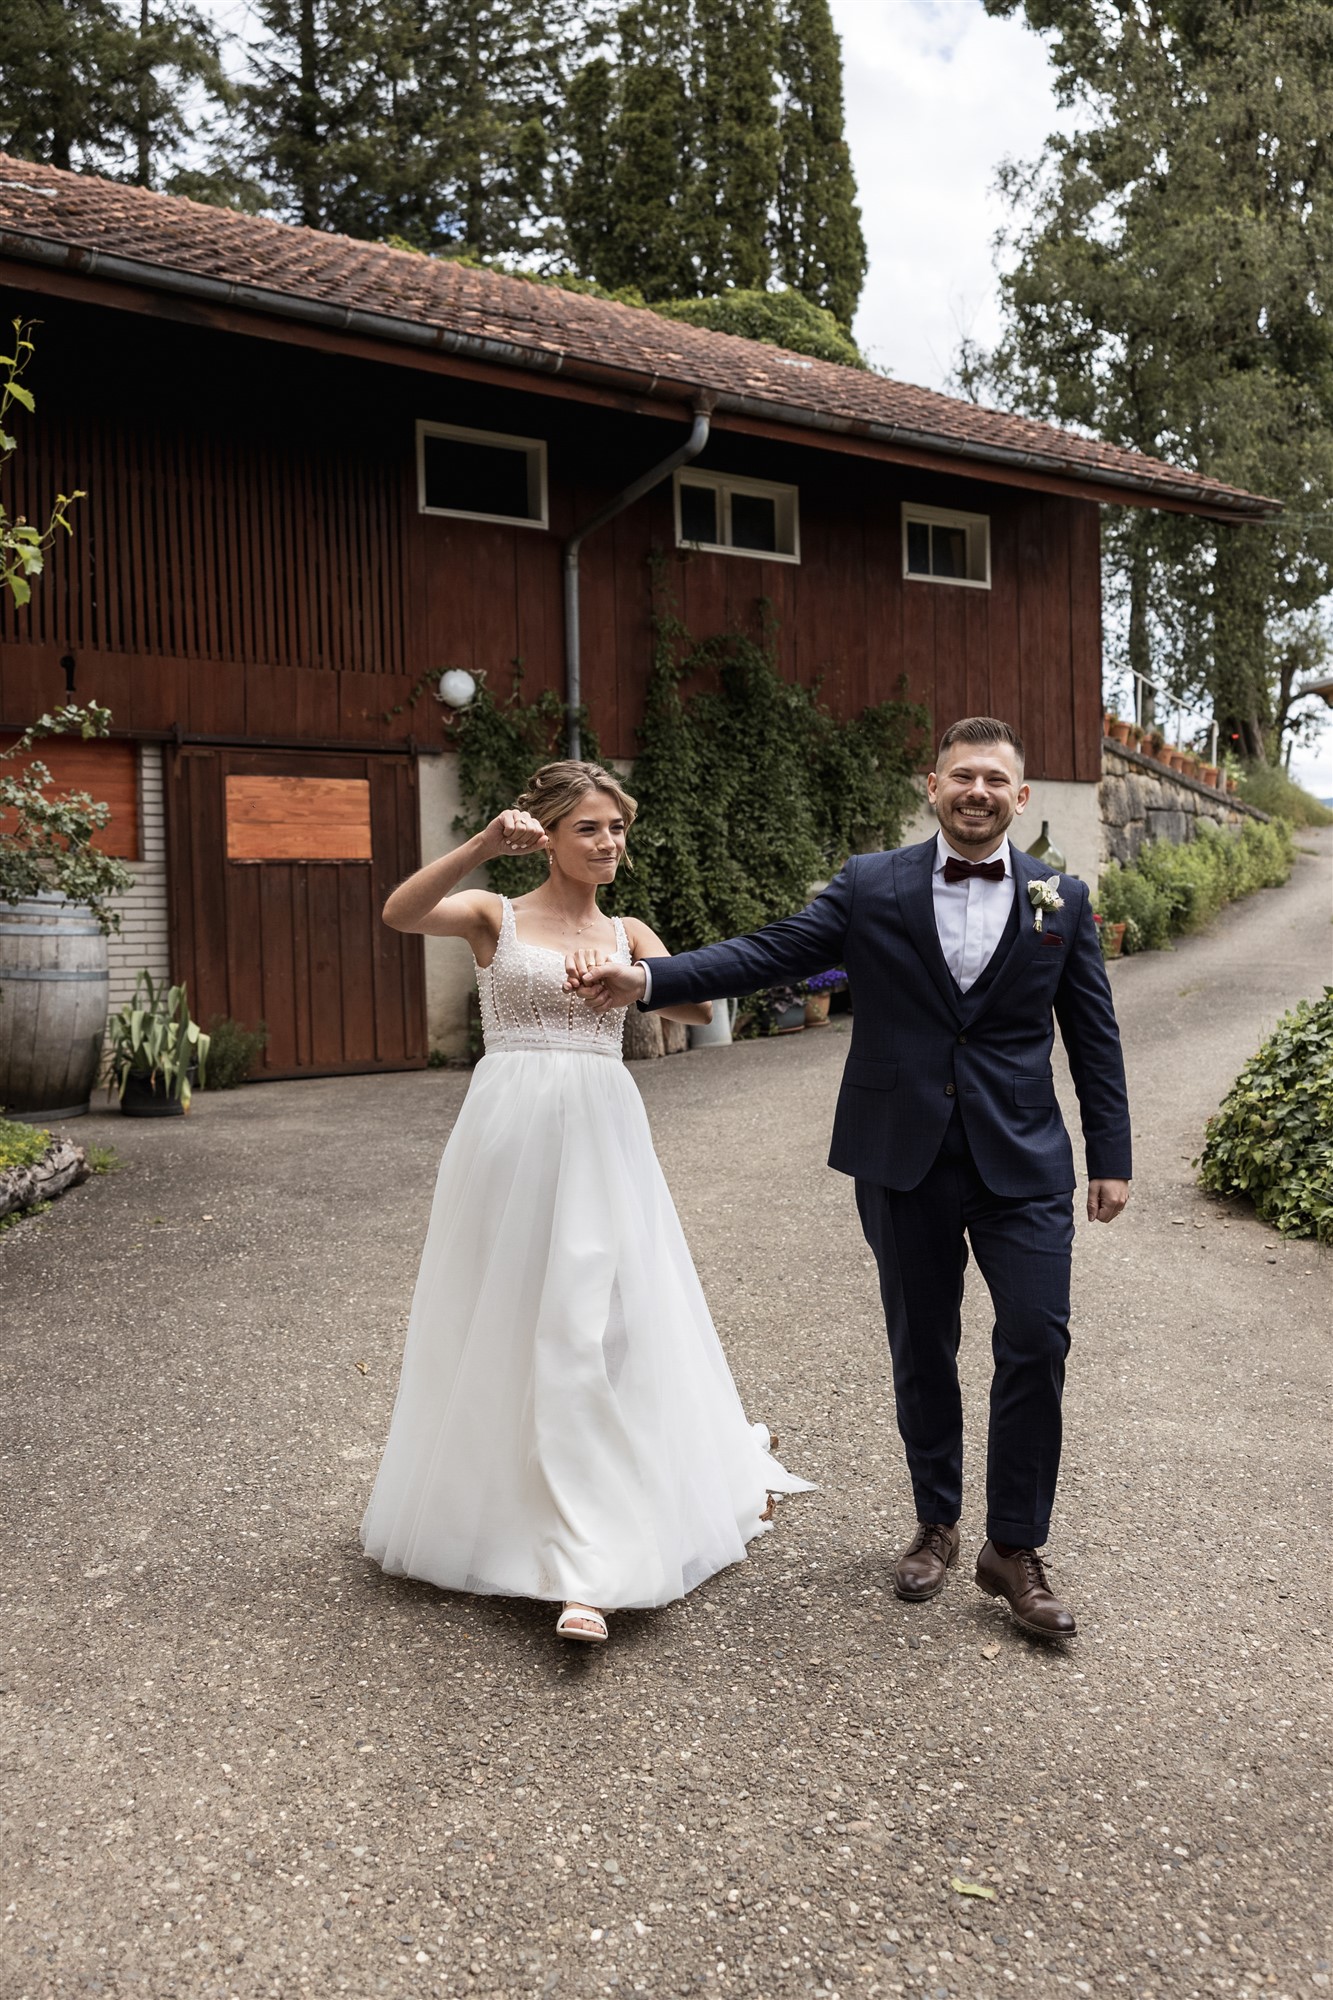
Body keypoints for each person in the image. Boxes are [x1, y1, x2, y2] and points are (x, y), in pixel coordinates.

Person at [576, 718, 1131, 1639]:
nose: (977, 791)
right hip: (899, 1151)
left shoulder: (1059, 900)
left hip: (1022, 1159)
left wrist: (1109, 1155)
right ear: (932, 786)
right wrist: (652, 978)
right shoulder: (872, 884)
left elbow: (1093, 1036)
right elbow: (774, 951)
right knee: (923, 1344)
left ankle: (1015, 1547)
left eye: (995, 779)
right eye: (961, 776)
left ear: (1019, 798)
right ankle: (937, 1522)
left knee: (1036, 1339)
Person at [359, 759, 810, 1645]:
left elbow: (703, 1012)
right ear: (548, 834)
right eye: (590, 830)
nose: (609, 845)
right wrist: (483, 845)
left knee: (593, 1324)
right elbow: (400, 913)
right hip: (505, 1137)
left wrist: (641, 984)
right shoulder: (498, 916)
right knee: (509, 1316)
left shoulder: (630, 930)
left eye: (617, 830)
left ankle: (586, 1563)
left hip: (601, 1134)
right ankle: (507, 1506)